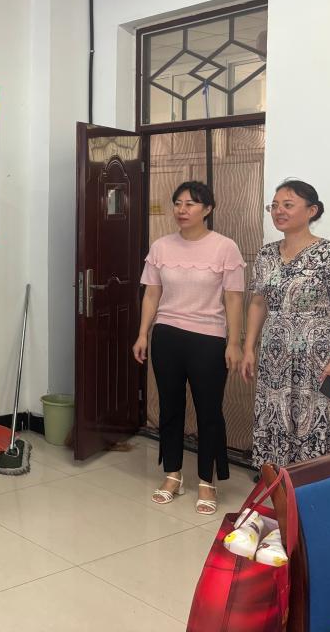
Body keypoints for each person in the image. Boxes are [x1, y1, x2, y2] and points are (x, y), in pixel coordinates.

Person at [133, 181, 244, 515]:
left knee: (209, 411)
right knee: (170, 407)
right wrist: (143, 334)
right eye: (178, 203)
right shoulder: (161, 246)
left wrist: (234, 342)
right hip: (167, 335)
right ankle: (173, 475)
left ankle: (207, 481)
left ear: (207, 209)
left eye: (190, 204)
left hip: (209, 338)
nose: (182, 210)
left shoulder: (225, 247)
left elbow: (233, 299)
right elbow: (152, 293)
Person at [241, 179, 330, 468]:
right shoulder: (266, 255)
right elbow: (258, 303)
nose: (279, 211)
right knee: (274, 415)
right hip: (274, 357)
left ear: (311, 210)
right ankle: (278, 484)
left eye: (288, 205)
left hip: (318, 357)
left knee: (318, 417)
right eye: (274, 205)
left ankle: (317, 484)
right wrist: (249, 348)